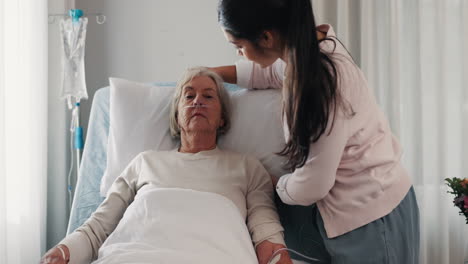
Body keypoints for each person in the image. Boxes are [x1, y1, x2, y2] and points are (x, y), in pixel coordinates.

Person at [211, 0, 420, 263]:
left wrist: (276, 185)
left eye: (239, 46)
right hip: (370, 205)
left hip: (372, 216)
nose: (240, 54)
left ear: (266, 37)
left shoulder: (320, 85)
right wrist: (208, 74)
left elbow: (313, 184)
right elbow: (272, 72)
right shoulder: (307, 49)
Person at [40, 67, 292, 264]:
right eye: (189, 95)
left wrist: (277, 253)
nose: (197, 102)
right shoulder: (144, 162)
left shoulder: (247, 167)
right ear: (176, 114)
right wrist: (63, 251)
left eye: (208, 96)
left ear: (222, 116)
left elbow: (266, 231)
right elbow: (98, 228)